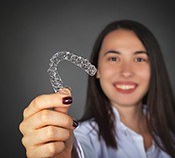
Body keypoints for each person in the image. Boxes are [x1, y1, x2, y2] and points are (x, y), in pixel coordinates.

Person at [19, 19, 175, 158]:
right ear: (97, 68)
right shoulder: (83, 136)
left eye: (139, 59)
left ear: (155, 68)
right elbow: (77, 151)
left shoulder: (170, 131)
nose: (126, 71)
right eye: (114, 58)